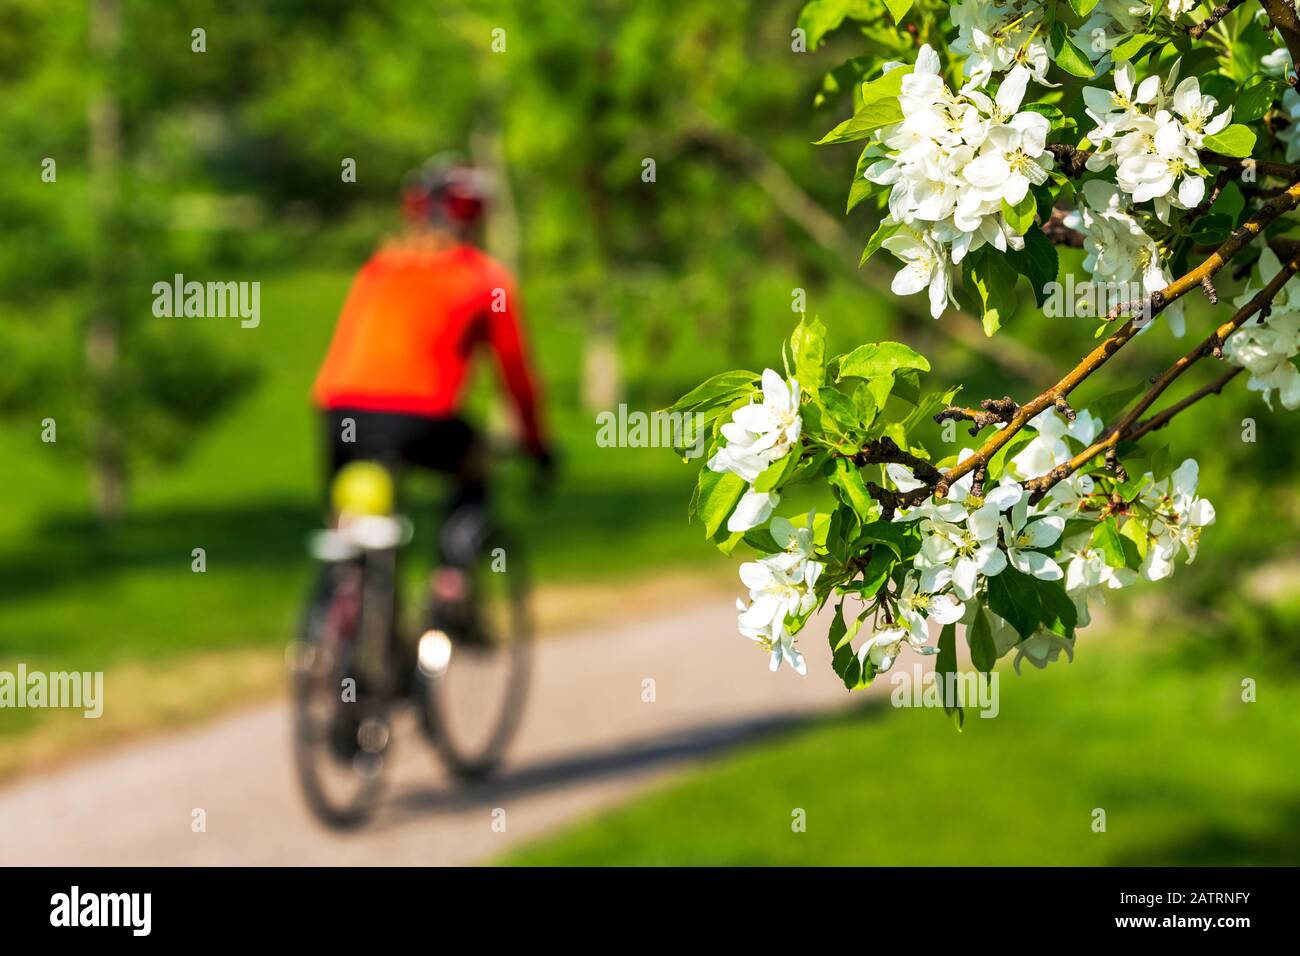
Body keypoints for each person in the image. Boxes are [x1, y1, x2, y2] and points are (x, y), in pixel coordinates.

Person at [311, 157, 552, 612]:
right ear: (477, 219)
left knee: (347, 525)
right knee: (475, 465)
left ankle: (339, 611)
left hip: (339, 412)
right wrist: (538, 447)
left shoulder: (380, 267)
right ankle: (451, 578)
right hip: (420, 417)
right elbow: (517, 376)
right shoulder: (484, 278)